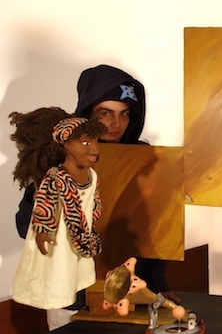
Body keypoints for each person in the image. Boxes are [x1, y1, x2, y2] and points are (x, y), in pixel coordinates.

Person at [14, 64, 174, 299]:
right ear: (88, 114)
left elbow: (152, 229)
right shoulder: (62, 158)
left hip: (129, 291)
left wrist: (158, 287)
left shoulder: (140, 159)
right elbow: (24, 226)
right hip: (71, 293)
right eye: (105, 113)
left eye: (124, 113)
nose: (116, 123)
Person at [9, 108, 117, 334]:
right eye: (85, 142)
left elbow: (92, 203)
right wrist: (44, 228)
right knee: (65, 312)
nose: (93, 149)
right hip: (60, 261)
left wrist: (90, 223)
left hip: (81, 256)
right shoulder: (50, 182)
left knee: (81, 305)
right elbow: (33, 219)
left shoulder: (89, 175)